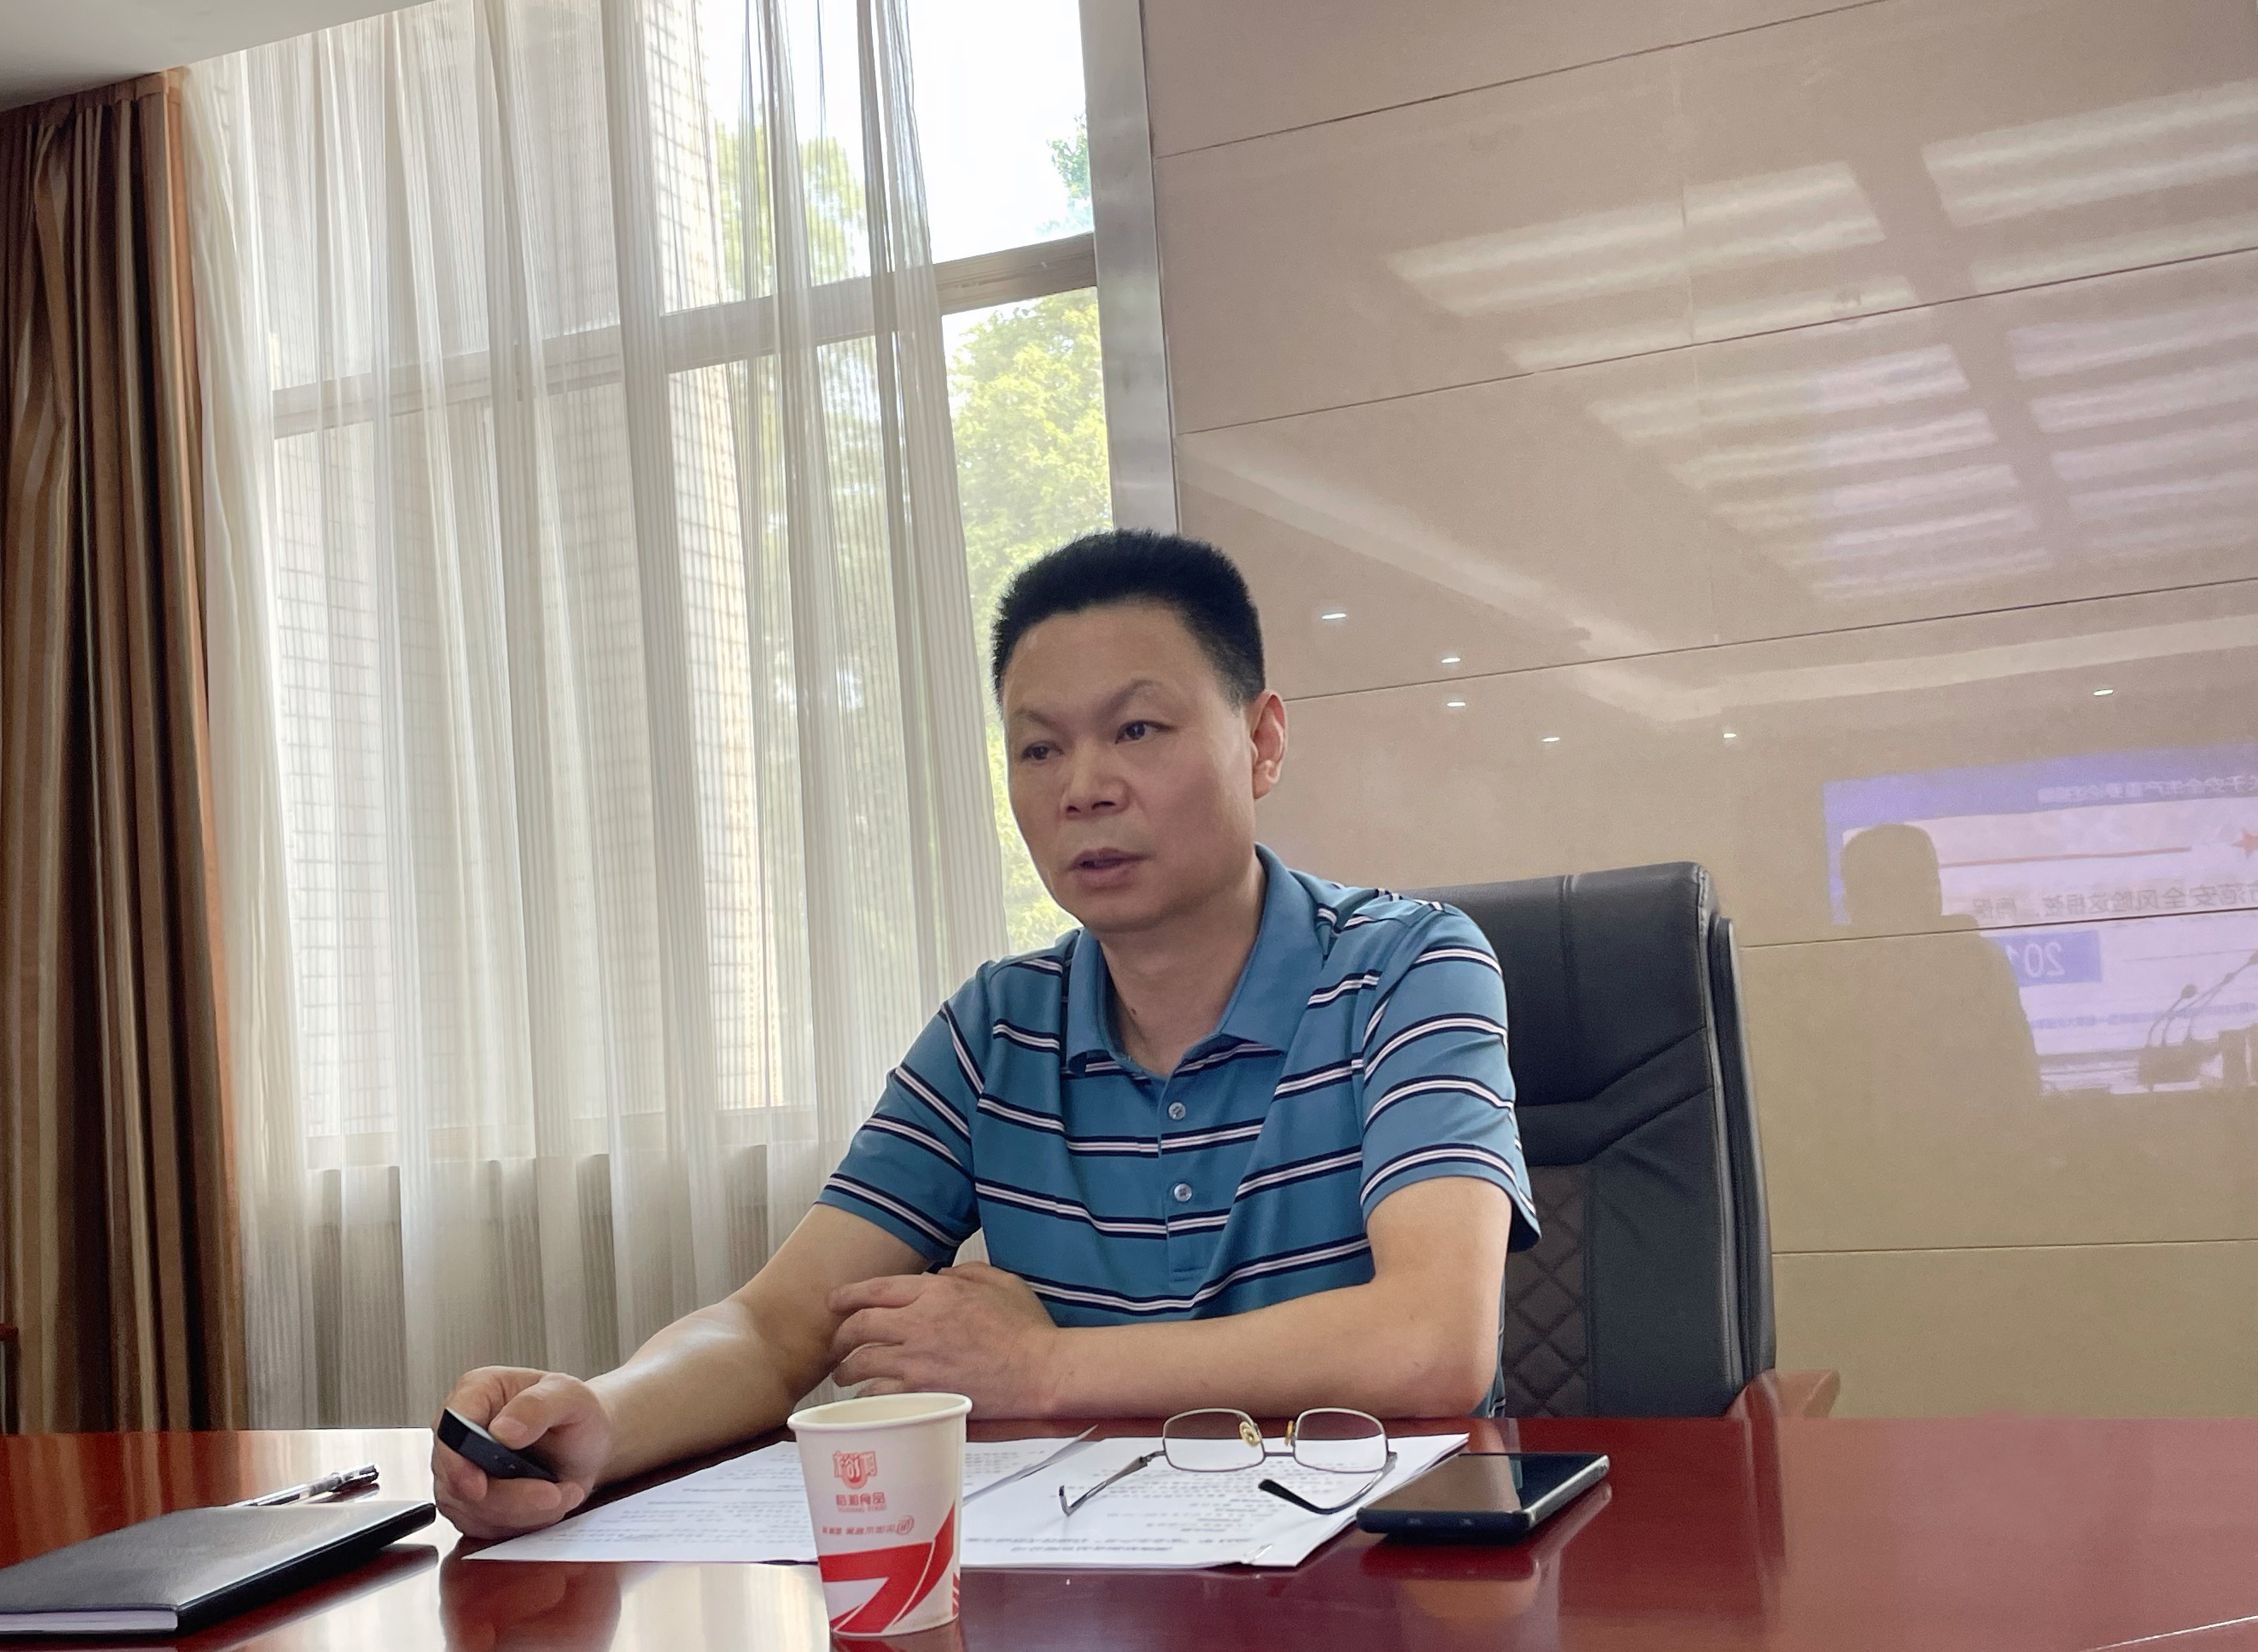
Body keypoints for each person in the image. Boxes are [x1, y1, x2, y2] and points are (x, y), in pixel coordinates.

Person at [433, 530, 1538, 1539]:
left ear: (1261, 741)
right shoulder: (998, 1029)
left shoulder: (1408, 967)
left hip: (1393, 1573)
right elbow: (774, 1330)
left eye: (1138, 730)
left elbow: (1433, 1343)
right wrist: (599, 1419)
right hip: (1097, 1574)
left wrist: (1043, 1367)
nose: (1084, 789)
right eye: (1038, 750)